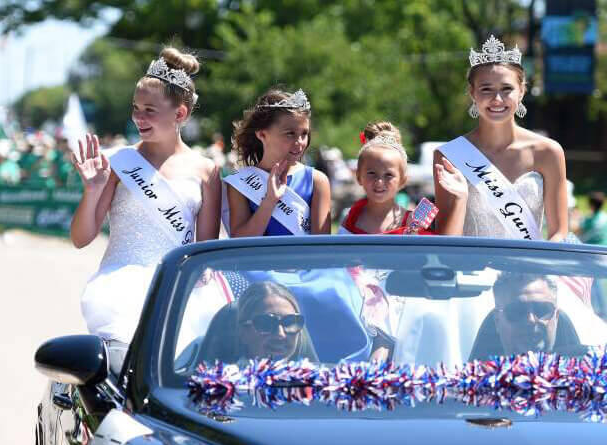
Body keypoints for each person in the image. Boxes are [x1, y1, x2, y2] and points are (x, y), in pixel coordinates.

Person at [70, 47, 222, 373]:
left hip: (176, 290)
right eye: (136, 108)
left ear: (179, 114)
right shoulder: (118, 162)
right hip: (119, 286)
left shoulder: (207, 171)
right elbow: (81, 238)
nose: (139, 117)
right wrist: (92, 190)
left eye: (150, 110)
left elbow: (203, 252)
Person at [434, 35, 568, 241]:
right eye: (486, 89)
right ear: (472, 93)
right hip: (470, 271)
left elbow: (559, 232)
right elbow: (444, 240)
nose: (497, 99)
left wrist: (536, 270)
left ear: (522, 91)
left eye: (507, 89)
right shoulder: (449, 155)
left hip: (529, 270)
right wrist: (460, 198)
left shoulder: (548, 152)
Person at [225, 88, 331, 236]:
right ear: (262, 134)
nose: (299, 142)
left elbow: (321, 248)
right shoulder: (240, 183)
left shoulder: (317, 181)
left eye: (304, 134)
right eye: (290, 134)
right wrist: (270, 201)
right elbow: (240, 243)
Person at [342, 121, 434, 235]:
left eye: (388, 175)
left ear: (403, 180)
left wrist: (415, 233)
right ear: (359, 176)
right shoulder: (350, 218)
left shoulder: (413, 223)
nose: (379, 182)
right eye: (372, 173)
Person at [235, 281, 316, 363]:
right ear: (243, 332)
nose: (280, 334)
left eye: (290, 323)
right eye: (266, 323)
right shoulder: (230, 375)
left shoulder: (315, 374)